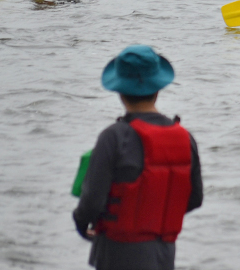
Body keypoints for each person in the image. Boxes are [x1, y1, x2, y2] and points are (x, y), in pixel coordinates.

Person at [73, 45, 203, 270]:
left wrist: (81, 223)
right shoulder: (185, 138)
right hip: (164, 254)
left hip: (116, 252)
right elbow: (194, 199)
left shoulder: (113, 137)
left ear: (120, 91)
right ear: (158, 88)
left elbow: (92, 201)